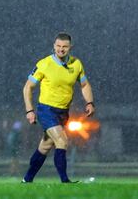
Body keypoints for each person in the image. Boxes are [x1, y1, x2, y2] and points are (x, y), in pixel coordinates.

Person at [22, 32, 94, 183]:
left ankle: (27, 180)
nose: (61, 49)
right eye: (58, 46)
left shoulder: (76, 64)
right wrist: (29, 110)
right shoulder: (44, 64)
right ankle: (65, 181)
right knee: (62, 141)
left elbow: (85, 84)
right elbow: (28, 87)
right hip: (46, 110)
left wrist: (89, 102)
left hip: (63, 112)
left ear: (70, 47)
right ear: (54, 46)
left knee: (45, 146)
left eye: (64, 47)